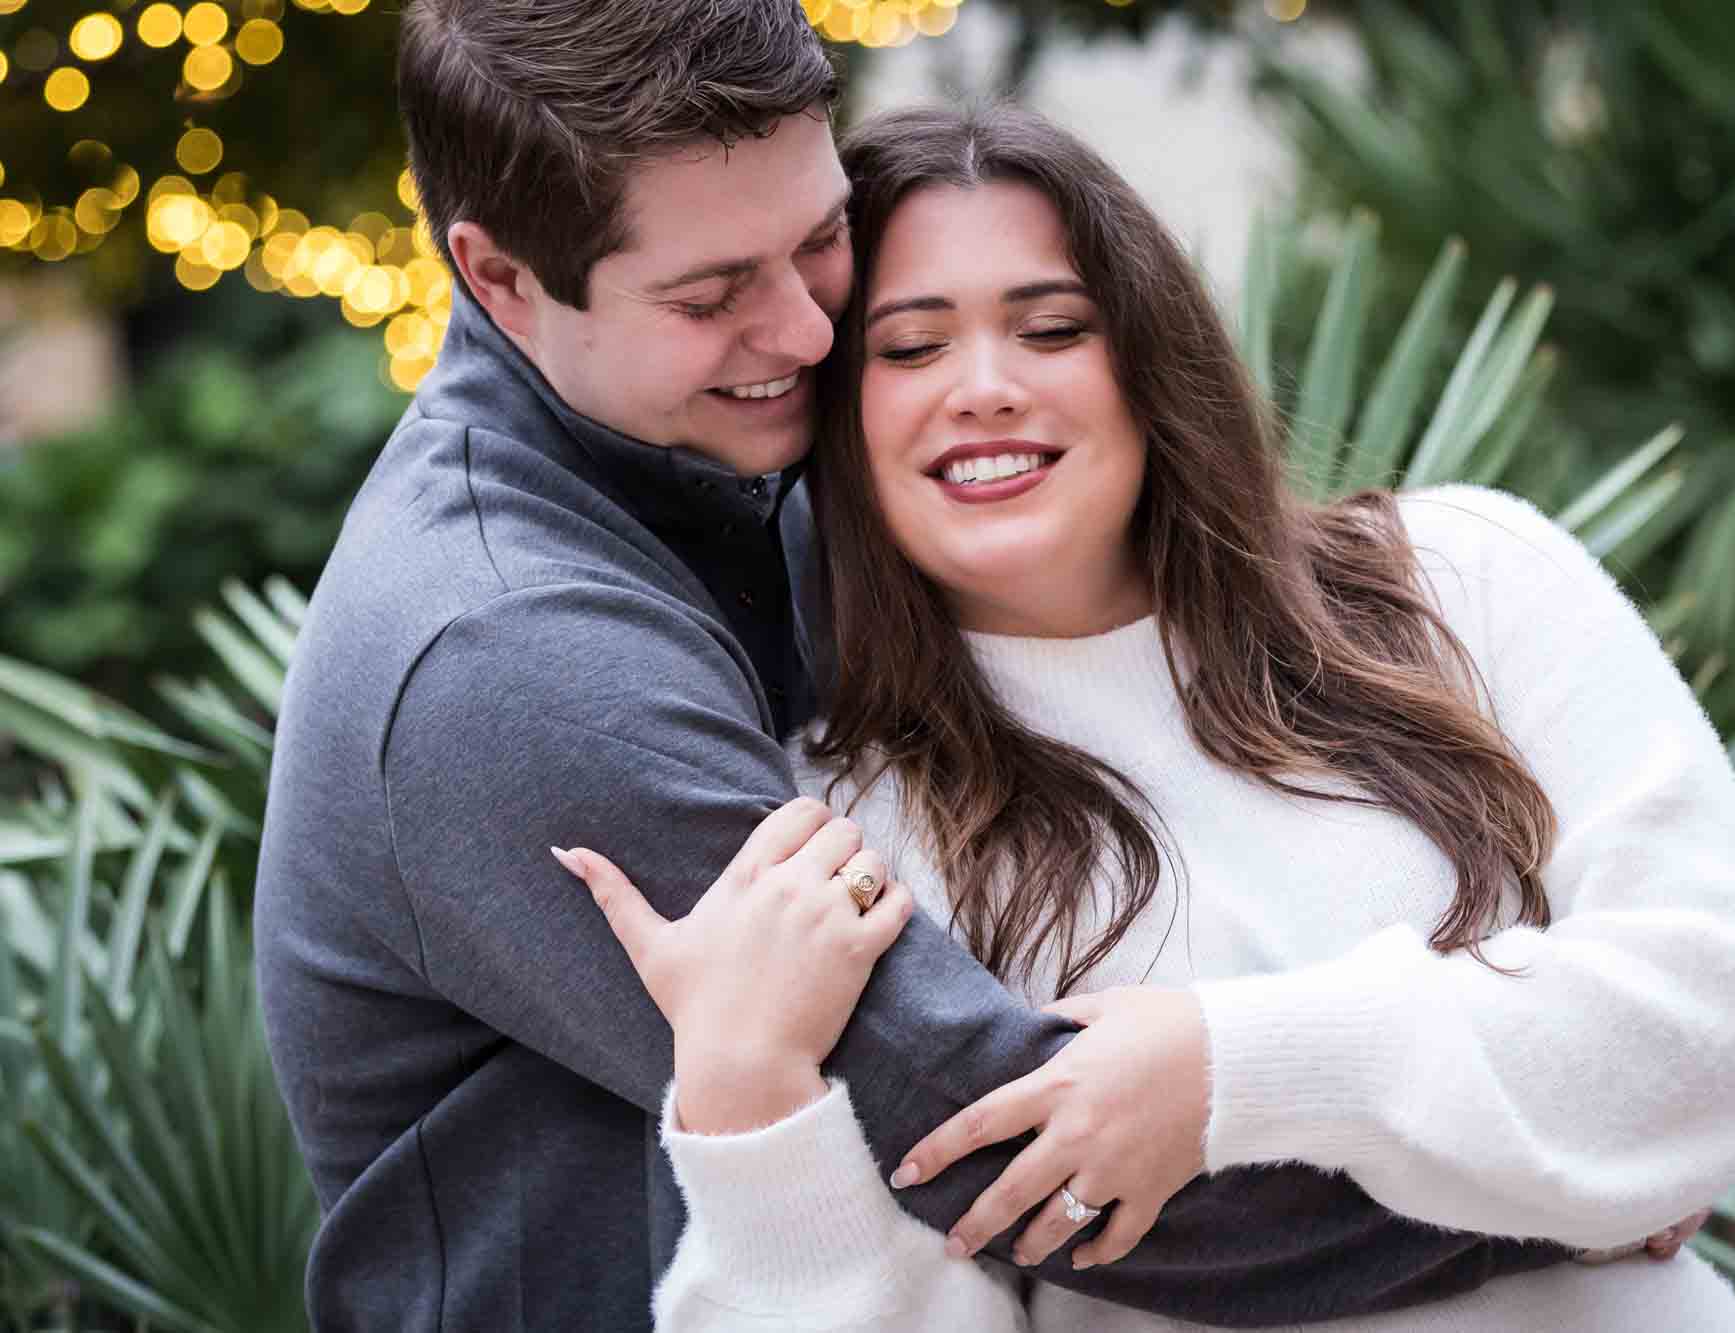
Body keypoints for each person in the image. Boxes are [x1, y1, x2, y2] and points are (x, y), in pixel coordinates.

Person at [252, 4, 1588, 1330]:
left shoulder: (713, 448)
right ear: (496, 279)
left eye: (820, 239)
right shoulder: (512, 654)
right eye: (711, 295)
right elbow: (1005, 1139)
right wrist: (1533, 1202)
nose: (810, 332)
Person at [563, 103, 1735, 1330]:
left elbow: (1717, 1026)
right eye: (909, 347)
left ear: (1147, 362)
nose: (985, 388)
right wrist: (748, 1107)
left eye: (1051, 328)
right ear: (840, 413)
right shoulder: (842, 833)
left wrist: (1233, 1066)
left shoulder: (1464, 579)